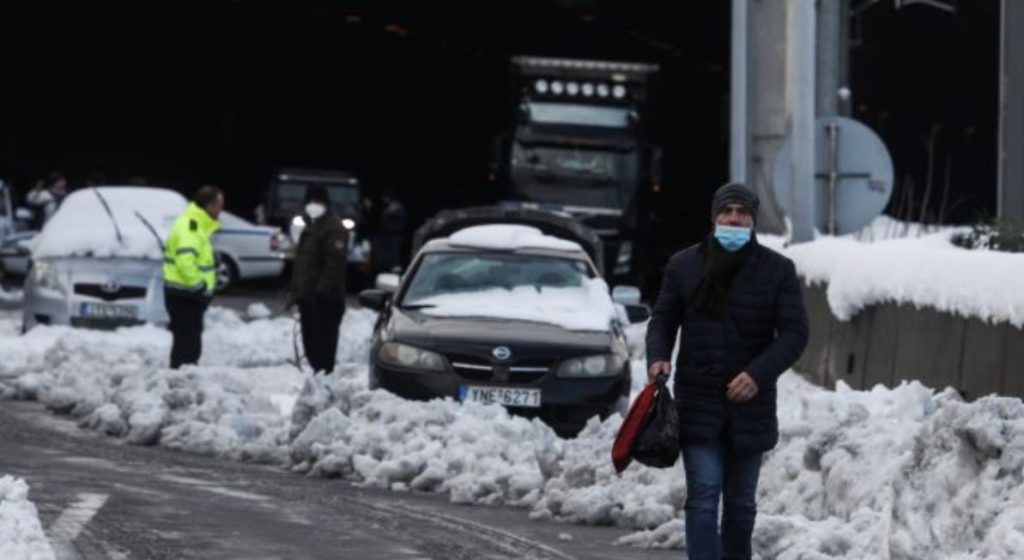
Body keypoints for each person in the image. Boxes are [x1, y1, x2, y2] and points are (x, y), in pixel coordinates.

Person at [645, 182, 808, 560]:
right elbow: (663, 319)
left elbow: (795, 333)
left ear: (752, 219)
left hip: (751, 405)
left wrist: (758, 375)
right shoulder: (683, 266)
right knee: (703, 495)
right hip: (698, 400)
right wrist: (658, 355)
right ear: (715, 216)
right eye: (727, 212)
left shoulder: (777, 270)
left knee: (740, 504)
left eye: (742, 213)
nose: (734, 219)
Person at [162, 185, 224, 369]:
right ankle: (181, 379)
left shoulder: (196, 224)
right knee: (187, 344)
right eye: (219, 205)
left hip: (186, 294)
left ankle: (181, 377)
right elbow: (185, 261)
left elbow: (193, 257)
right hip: (186, 294)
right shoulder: (191, 226)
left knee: (188, 340)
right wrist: (199, 286)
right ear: (209, 205)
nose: (221, 210)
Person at [289, 185, 348, 373]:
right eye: (310, 202)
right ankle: (317, 382)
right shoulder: (311, 226)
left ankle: (324, 384)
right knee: (311, 346)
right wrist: (296, 292)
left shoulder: (334, 228)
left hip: (326, 301)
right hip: (308, 299)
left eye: (318, 202)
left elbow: (334, 264)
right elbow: (303, 264)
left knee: (323, 349)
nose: (313, 206)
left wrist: (320, 292)